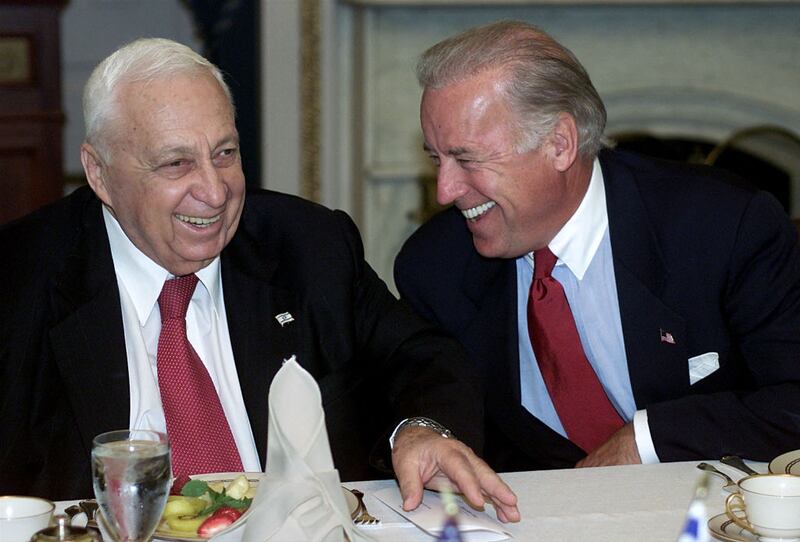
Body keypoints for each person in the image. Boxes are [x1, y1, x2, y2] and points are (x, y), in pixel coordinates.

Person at [0, 37, 519, 522]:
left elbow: (424, 357)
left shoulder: (307, 246)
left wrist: (422, 429)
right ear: (99, 173)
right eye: (176, 163)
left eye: (225, 154)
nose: (214, 190)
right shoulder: (19, 282)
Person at [395, 20, 800, 472]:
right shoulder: (433, 267)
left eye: (466, 158)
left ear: (560, 144)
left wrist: (646, 439)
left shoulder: (722, 226)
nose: (445, 191)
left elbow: (793, 400)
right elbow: (427, 401)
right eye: (436, 159)